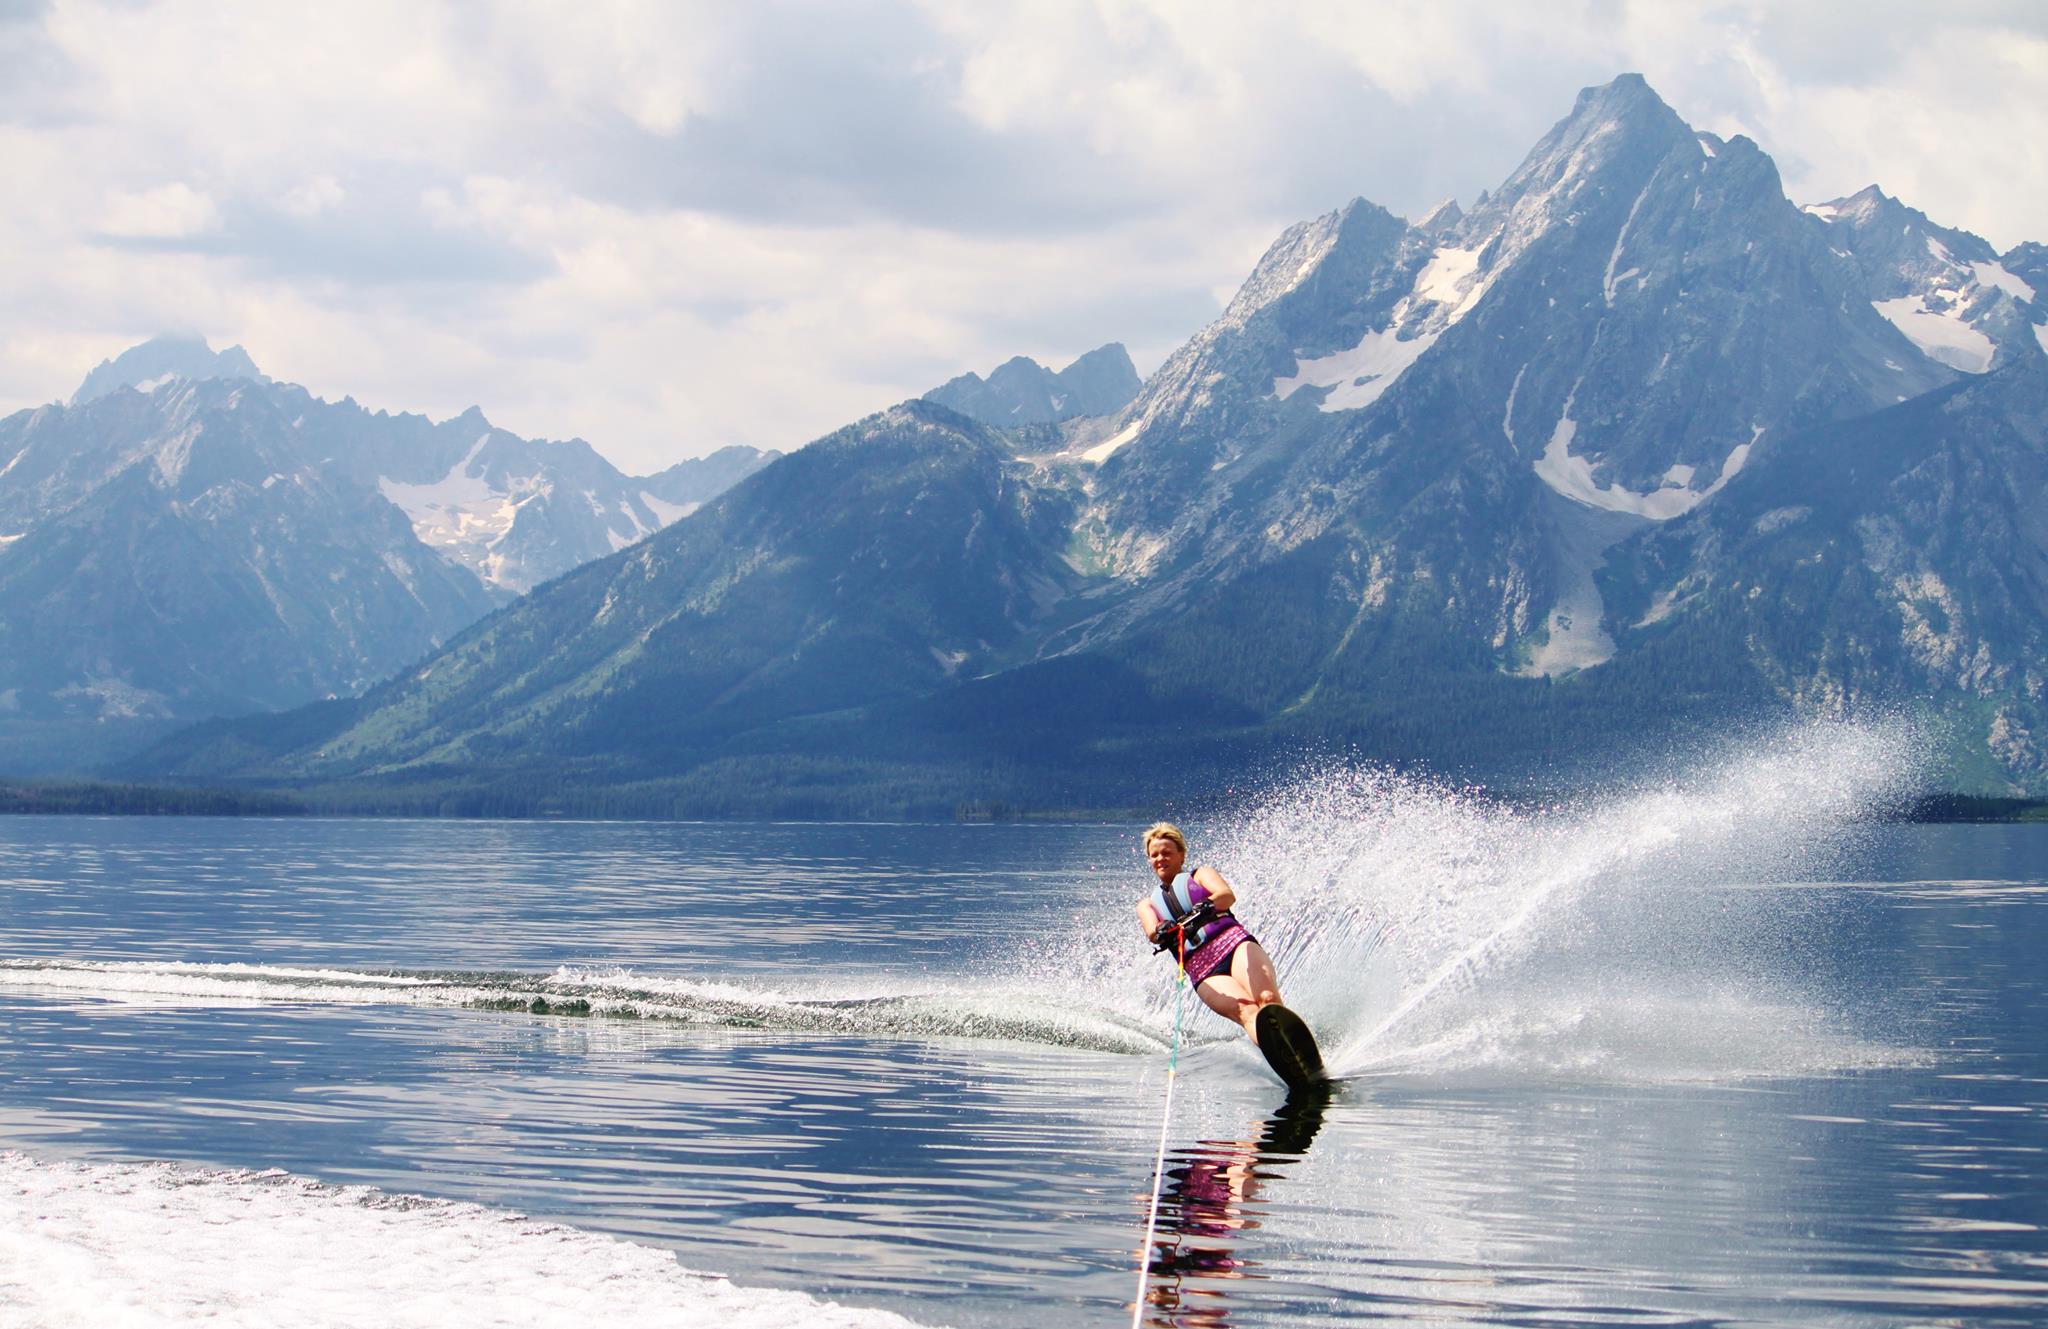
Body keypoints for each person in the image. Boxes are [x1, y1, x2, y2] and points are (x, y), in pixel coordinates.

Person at [1134, 821, 1285, 1044]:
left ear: (1181, 855)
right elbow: (1152, 932)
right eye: (1154, 855)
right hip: (1204, 970)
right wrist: (1162, 930)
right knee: (1245, 1009)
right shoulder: (1147, 905)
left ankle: (1293, 1043)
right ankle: (1281, 1056)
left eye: (1166, 853)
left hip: (1234, 946)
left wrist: (1206, 905)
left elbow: (1226, 896)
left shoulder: (1200, 875)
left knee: (1267, 999)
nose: (1160, 859)